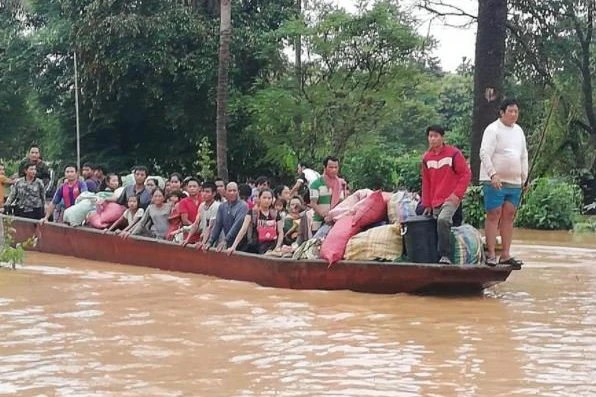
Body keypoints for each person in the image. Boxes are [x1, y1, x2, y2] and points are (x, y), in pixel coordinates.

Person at [480, 98, 528, 268]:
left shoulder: (519, 131)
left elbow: (523, 155)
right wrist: (493, 174)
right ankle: (491, 253)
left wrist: (525, 177)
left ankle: (506, 254)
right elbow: (484, 153)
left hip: (514, 182)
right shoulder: (493, 129)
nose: (514, 114)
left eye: (516, 111)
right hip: (495, 180)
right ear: (502, 112)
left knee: (509, 215)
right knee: (494, 214)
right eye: (510, 111)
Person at [421, 125, 471, 264]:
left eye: (436, 136)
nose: (433, 139)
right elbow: (426, 183)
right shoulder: (426, 158)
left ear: (442, 138)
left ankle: (445, 255)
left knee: (443, 220)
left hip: (451, 198)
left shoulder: (454, 154)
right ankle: (434, 256)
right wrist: (427, 204)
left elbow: (465, 174)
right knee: (434, 225)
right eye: (430, 136)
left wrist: (457, 194)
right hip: (436, 200)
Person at [227, 189, 283, 255]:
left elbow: (280, 232)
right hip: (255, 247)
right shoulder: (252, 212)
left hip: (271, 246)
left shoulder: (275, 214)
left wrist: (277, 247)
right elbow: (243, 229)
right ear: (259, 198)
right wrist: (233, 246)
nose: (267, 200)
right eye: (264, 198)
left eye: (269, 198)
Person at [203, 182, 249, 252]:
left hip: (242, 244)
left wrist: (225, 240)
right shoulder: (222, 206)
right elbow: (218, 225)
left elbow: (237, 225)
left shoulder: (243, 206)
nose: (232, 193)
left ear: (238, 192)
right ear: (225, 192)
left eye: (234, 190)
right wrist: (210, 241)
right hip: (228, 243)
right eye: (230, 191)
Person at [309, 156, 347, 232]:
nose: (334, 170)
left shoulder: (340, 184)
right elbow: (313, 204)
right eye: (331, 167)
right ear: (325, 167)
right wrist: (325, 215)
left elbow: (341, 202)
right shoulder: (316, 184)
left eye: (336, 167)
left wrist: (333, 216)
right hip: (319, 223)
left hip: (335, 223)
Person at [182, 181, 221, 248]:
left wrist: (203, 243)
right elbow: (196, 223)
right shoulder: (202, 205)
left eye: (207, 192)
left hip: (216, 239)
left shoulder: (216, 206)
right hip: (205, 238)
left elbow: (210, 227)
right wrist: (187, 239)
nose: (204, 194)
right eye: (203, 191)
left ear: (214, 193)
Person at [177, 178, 202, 243]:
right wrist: (195, 228)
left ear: (199, 188)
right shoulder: (183, 202)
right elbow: (185, 221)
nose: (192, 188)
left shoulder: (203, 200)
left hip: (203, 235)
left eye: (194, 186)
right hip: (189, 236)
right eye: (190, 186)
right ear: (187, 188)